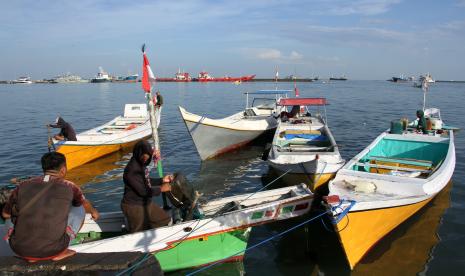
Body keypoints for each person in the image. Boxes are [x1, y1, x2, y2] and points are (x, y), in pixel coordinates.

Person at [1, 152, 99, 262]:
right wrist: (93, 211)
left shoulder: (22, 185)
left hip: (19, 249)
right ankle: (63, 251)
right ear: (63, 170)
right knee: (80, 208)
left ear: (44, 169)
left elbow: (5, 214)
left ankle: (31, 255)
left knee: (9, 216)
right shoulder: (70, 186)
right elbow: (83, 204)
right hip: (54, 251)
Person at [121, 140, 172, 233]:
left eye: (148, 155)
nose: (146, 157)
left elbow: (146, 181)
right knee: (138, 233)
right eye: (144, 155)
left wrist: (162, 180)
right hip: (134, 206)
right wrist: (161, 189)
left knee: (164, 220)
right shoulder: (132, 170)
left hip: (145, 202)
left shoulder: (141, 164)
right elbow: (143, 191)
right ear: (138, 153)